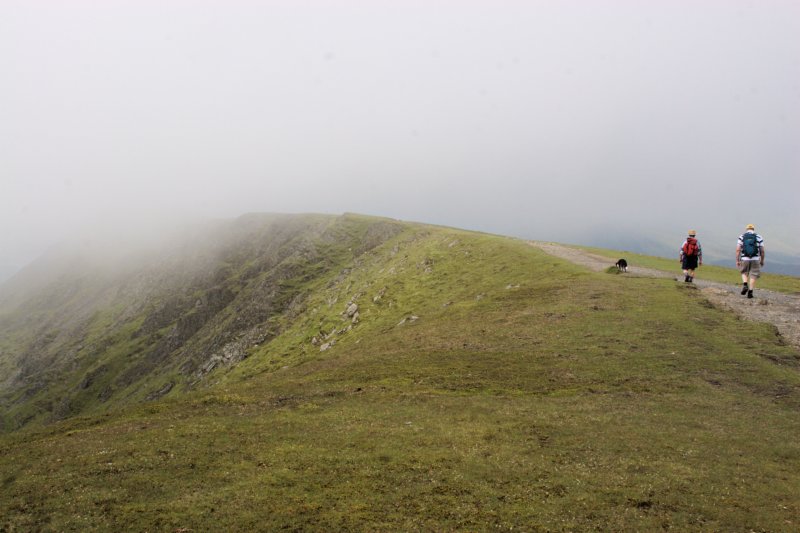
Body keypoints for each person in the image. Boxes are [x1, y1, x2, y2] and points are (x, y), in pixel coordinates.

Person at [736, 224, 765, 299]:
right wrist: (762, 260)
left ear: (746, 229)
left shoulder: (742, 237)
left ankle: (745, 284)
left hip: (744, 258)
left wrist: (737, 260)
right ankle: (750, 292)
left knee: (744, 272)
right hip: (755, 259)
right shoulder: (759, 237)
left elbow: (738, 249)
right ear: (753, 229)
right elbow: (762, 251)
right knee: (754, 275)